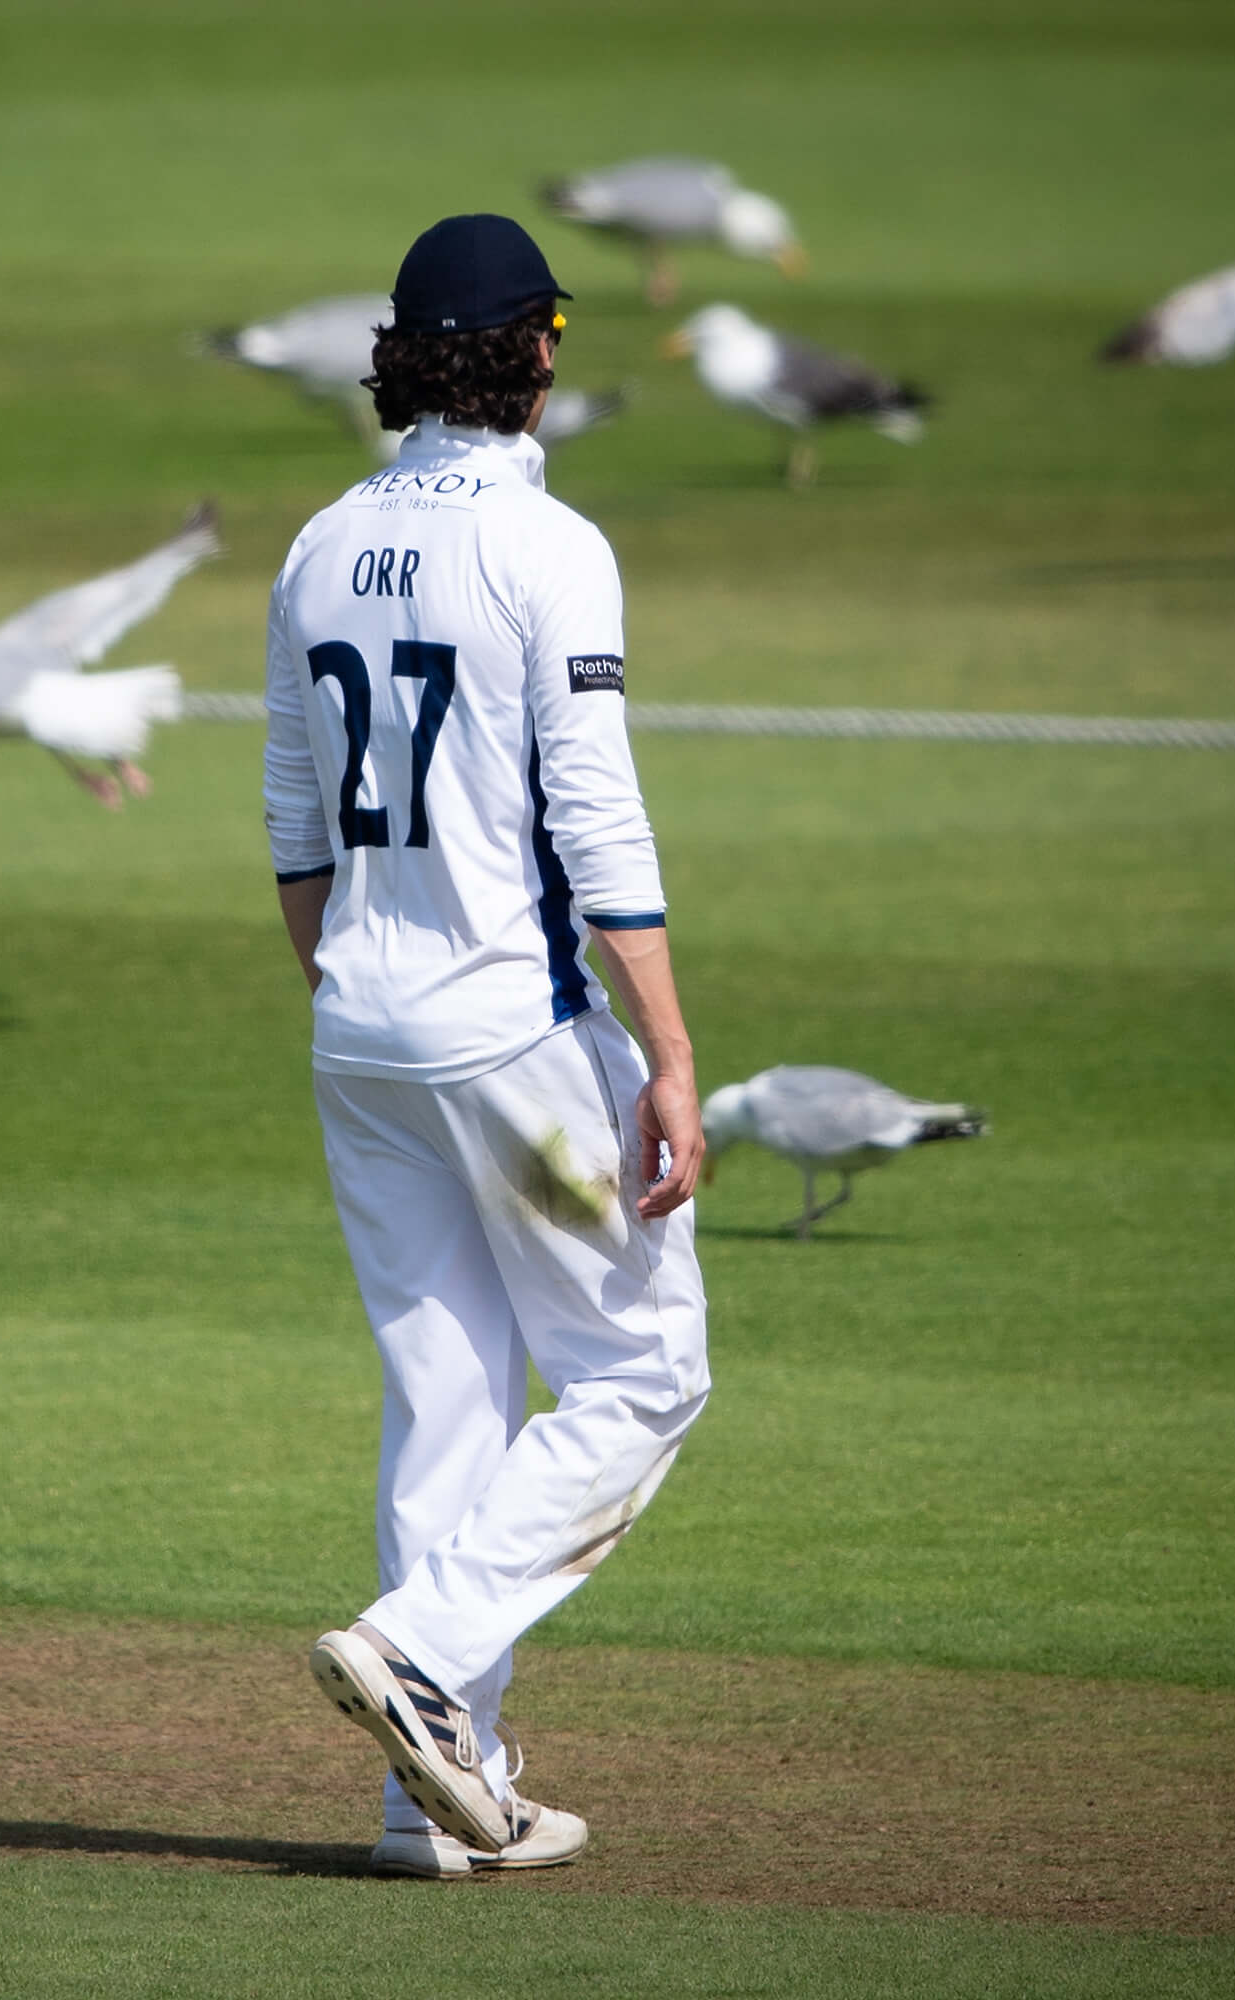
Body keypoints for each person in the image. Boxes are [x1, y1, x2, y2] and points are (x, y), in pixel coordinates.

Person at [263, 214, 712, 1879]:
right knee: (644, 1372)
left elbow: (294, 823)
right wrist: (667, 1053)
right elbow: (597, 820)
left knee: (445, 1400)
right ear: (530, 349)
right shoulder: (551, 546)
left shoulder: (317, 541)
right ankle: (425, 1660)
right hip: (511, 1032)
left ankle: (429, 1807)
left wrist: (359, 1002)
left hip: (359, 1032)